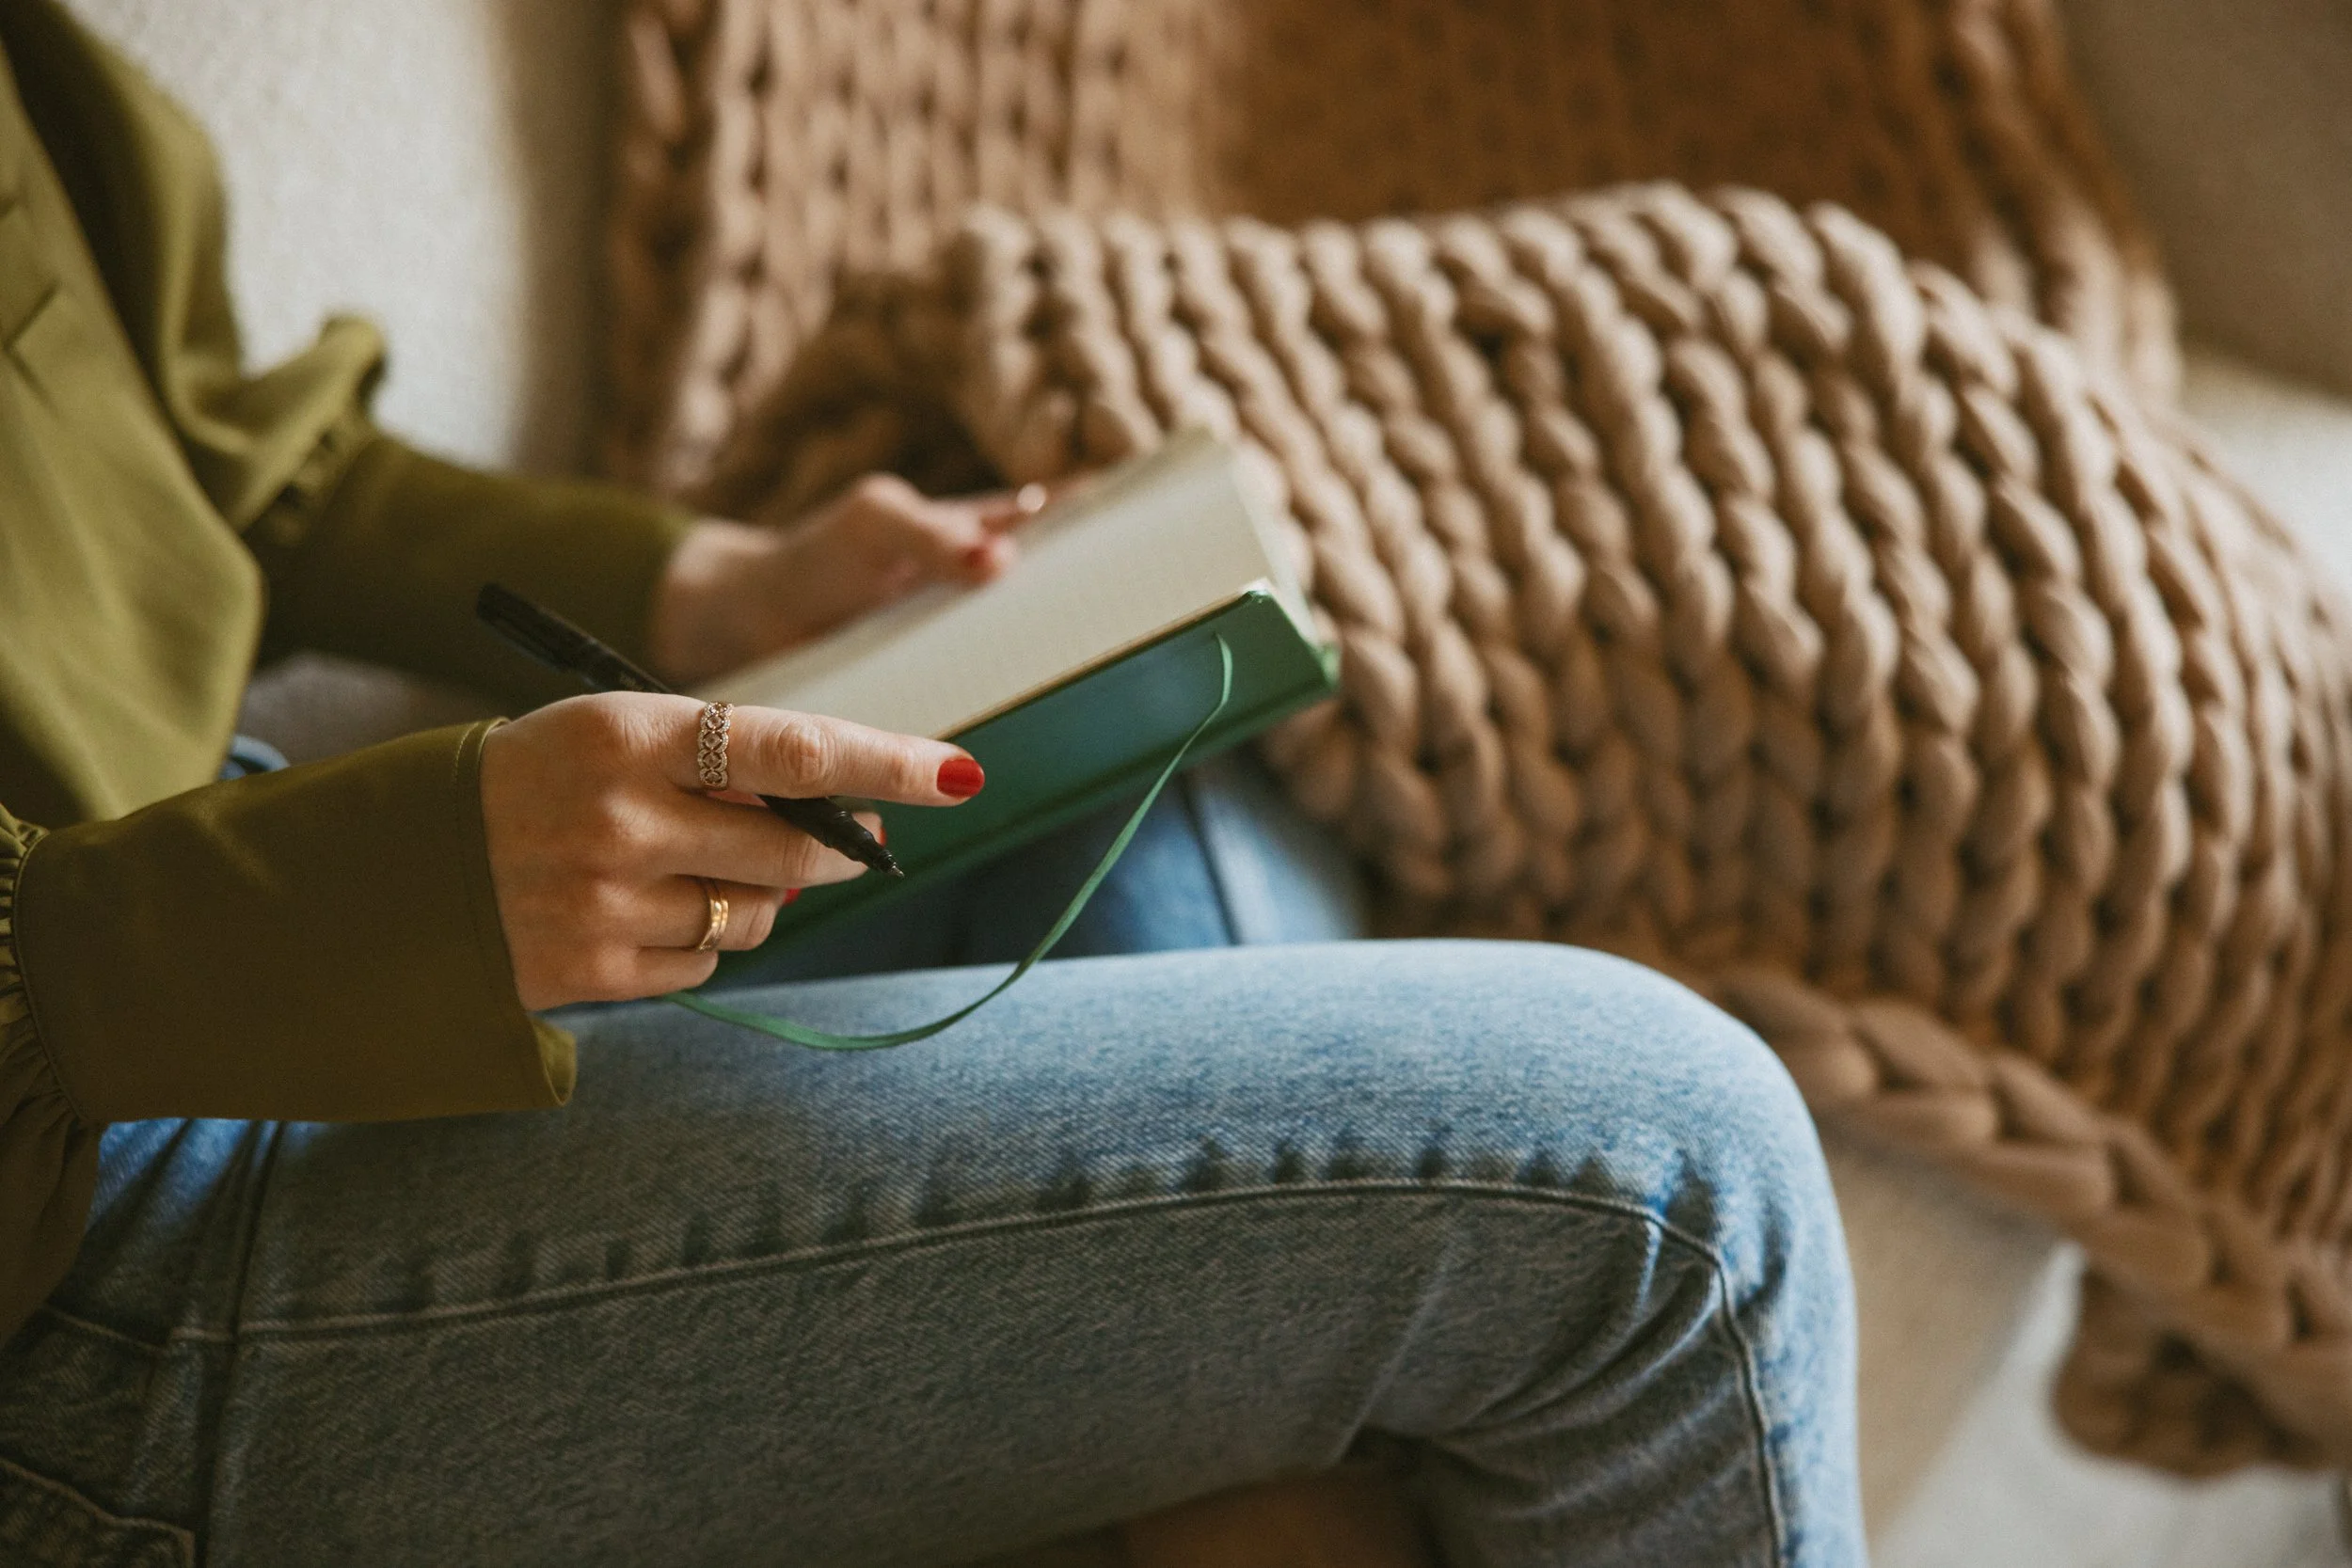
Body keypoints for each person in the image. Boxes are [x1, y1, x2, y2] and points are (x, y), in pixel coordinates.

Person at [0, 1, 1865, 1562]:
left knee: (1169, 736)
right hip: (93, 1224)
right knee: (1667, 1186)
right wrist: (346, 898)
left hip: (242, 924)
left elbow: (224, 450)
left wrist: (704, 585)